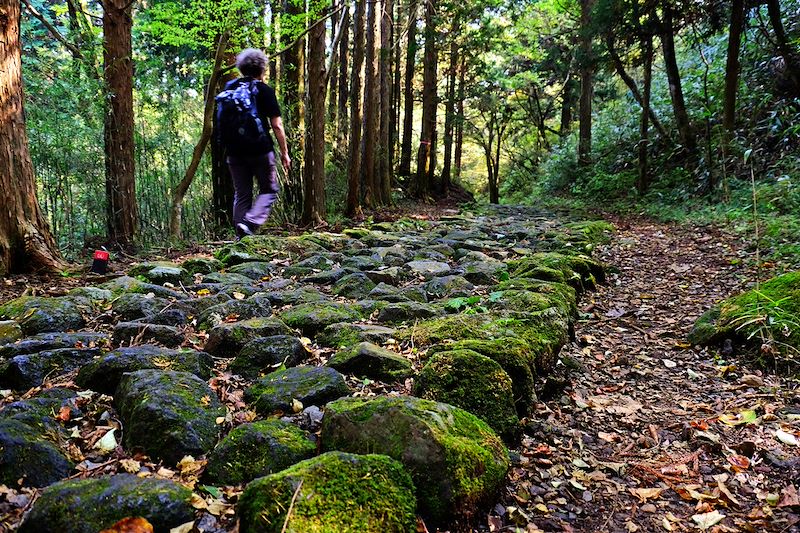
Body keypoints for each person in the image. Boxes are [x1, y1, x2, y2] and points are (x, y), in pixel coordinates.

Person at [221, 48, 291, 239]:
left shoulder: (230, 87)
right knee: (269, 189)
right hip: (260, 149)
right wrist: (285, 153)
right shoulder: (265, 90)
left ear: (241, 68)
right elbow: (276, 125)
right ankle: (250, 224)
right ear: (262, 69)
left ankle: (240, 238)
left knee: (242, 193)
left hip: (234, 151)